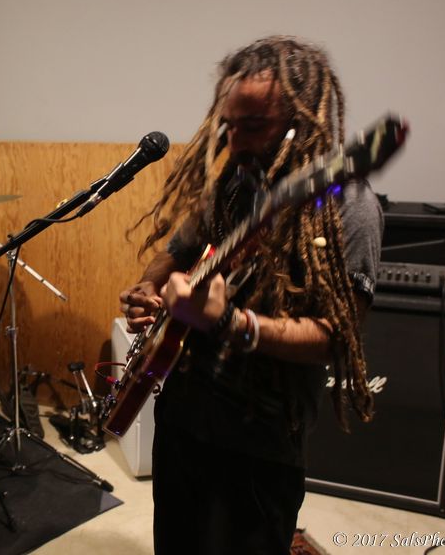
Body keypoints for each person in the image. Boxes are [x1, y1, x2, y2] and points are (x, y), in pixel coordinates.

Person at [119, 36, 383, 554]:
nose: (236, 141)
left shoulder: (349, 207)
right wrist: (148, 288)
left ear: (303, 122)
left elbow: (335, 338)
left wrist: (232, 323)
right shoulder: (233, 187)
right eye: (230, 125)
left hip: (259, 444)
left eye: (254, 126)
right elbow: (174, 253)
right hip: (182, 421)